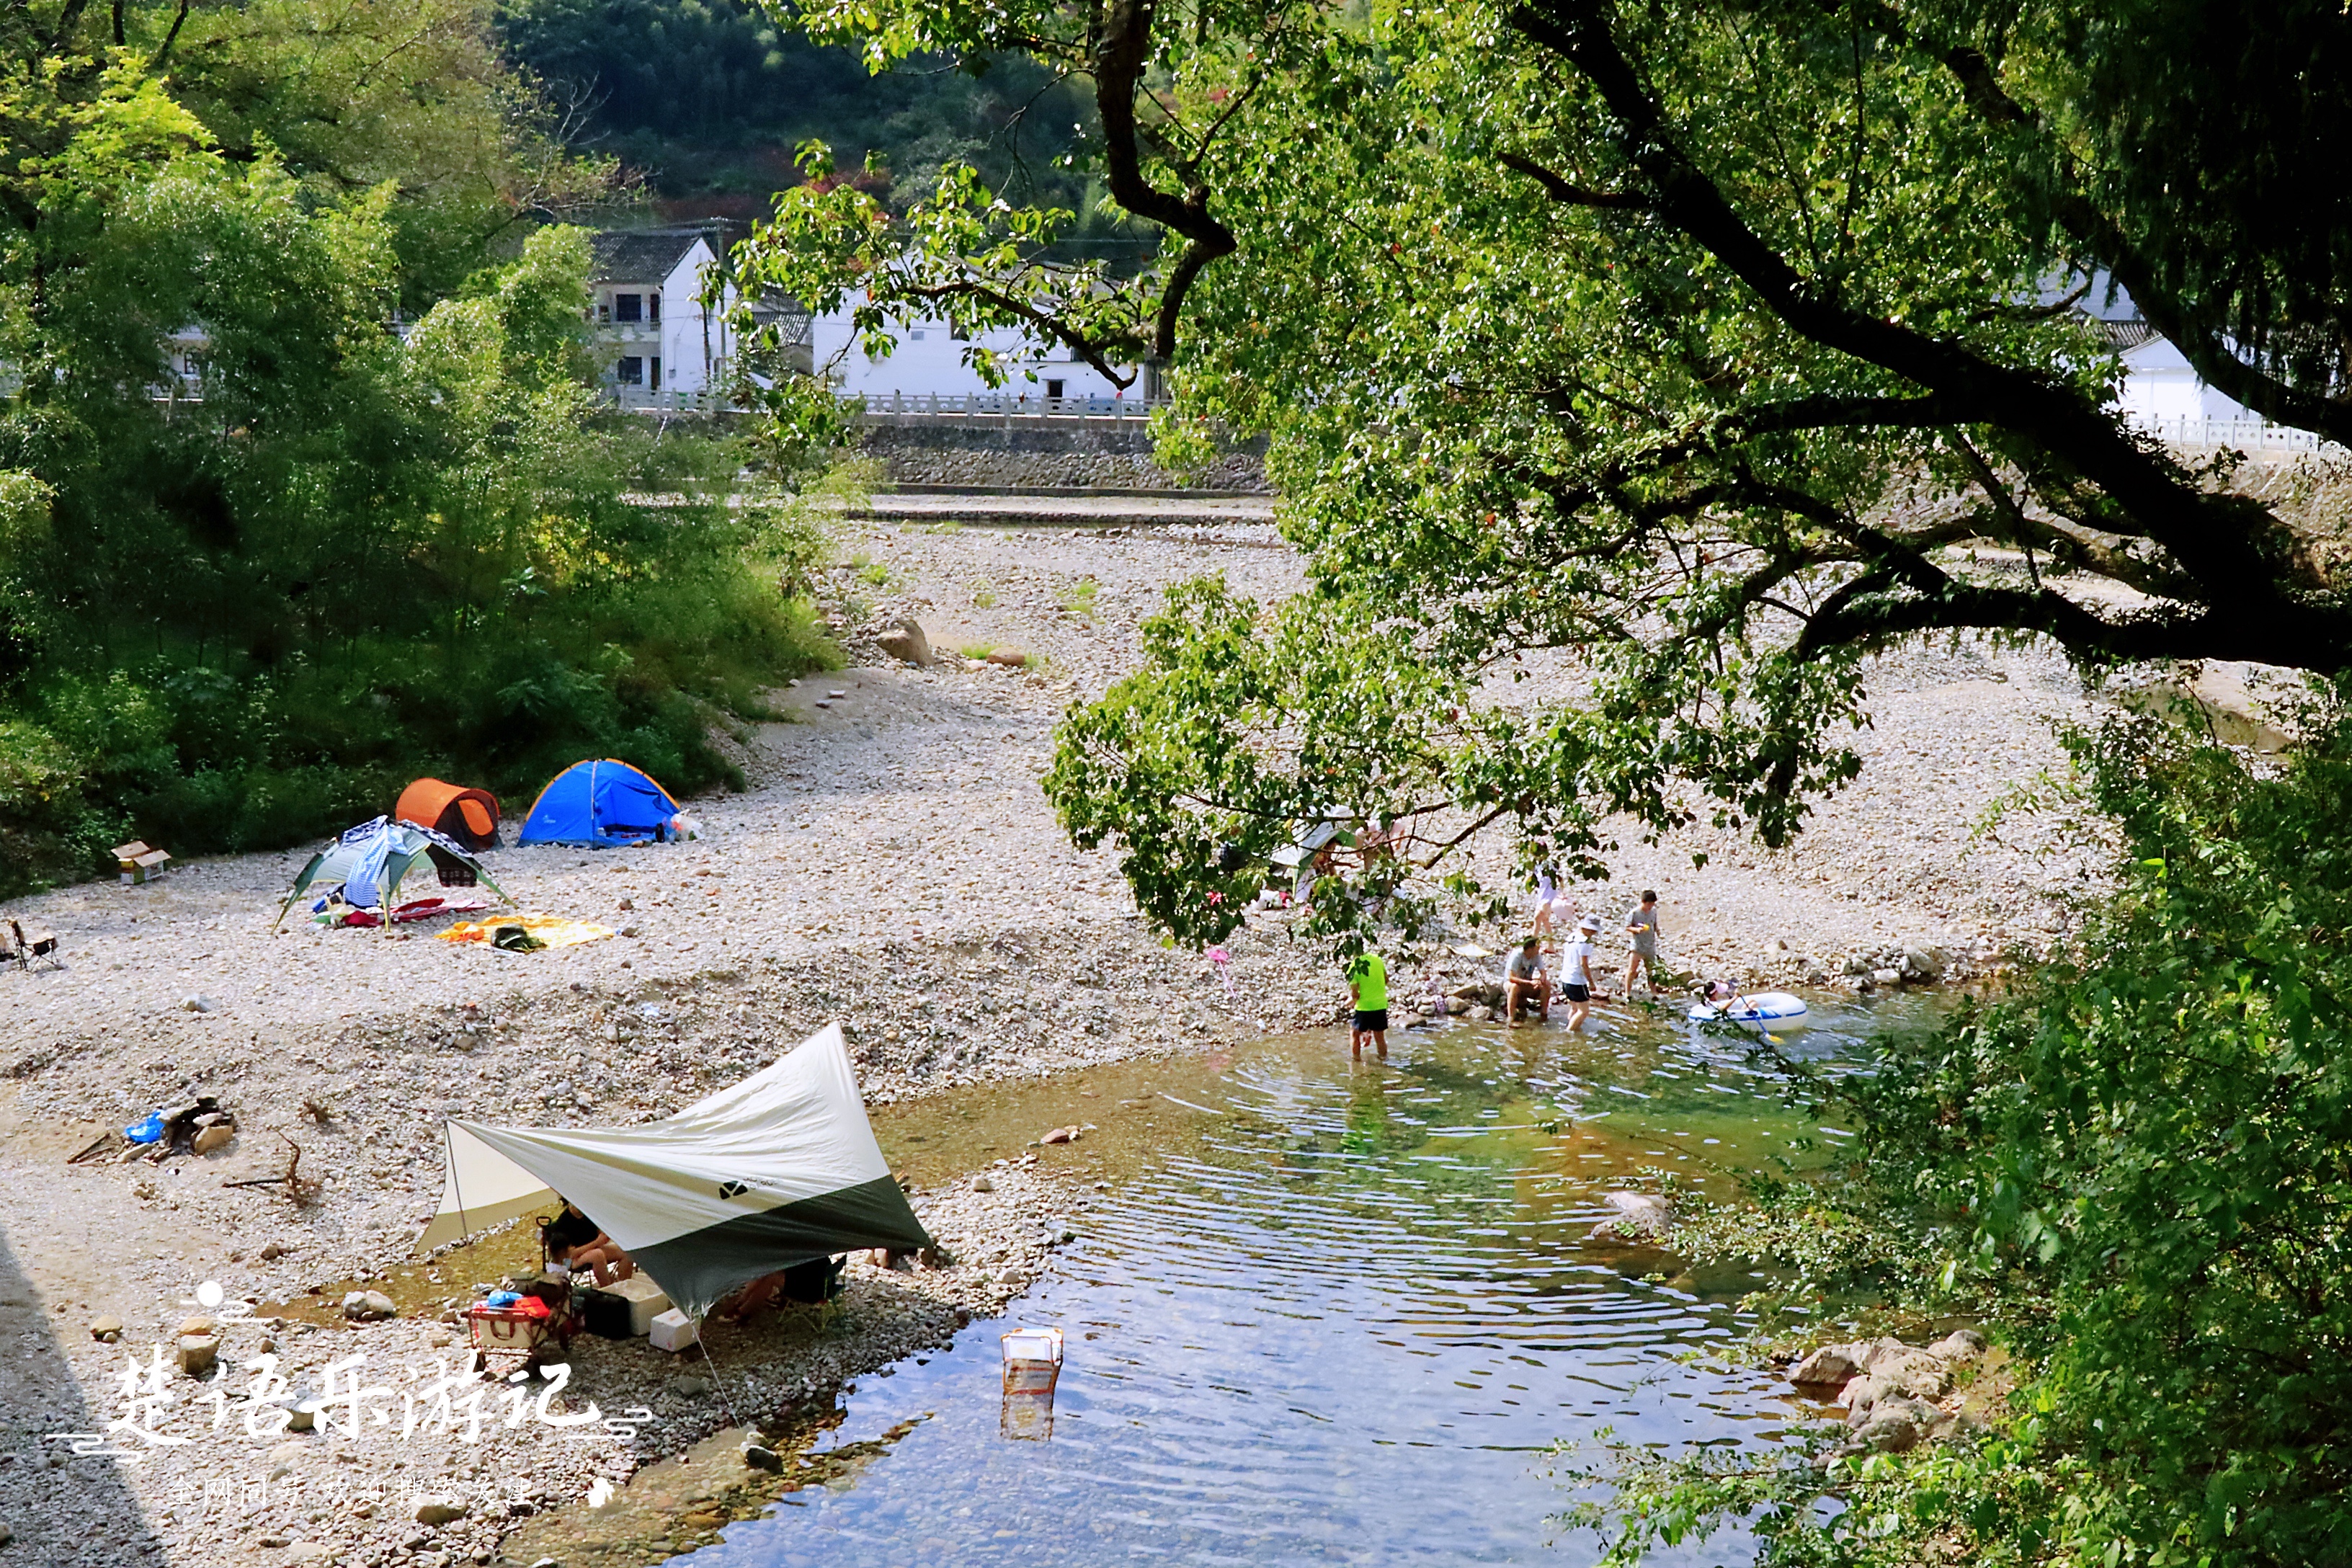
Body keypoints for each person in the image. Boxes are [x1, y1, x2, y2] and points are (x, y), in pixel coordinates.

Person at [540, 1201, 634, 1286]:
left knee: (627, 1251)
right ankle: (608, 1288)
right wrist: (597, 1242)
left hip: (593, 1249)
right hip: (568, 1260)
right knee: (597, 1254)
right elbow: (569, 1254)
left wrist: (604, 1234)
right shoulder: (563, 1223)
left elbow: (599, 1237)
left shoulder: (589, 1215)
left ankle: (624, 1284)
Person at [1347, 948, 1389, 1059]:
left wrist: (1352, 1001)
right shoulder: (1377, 959)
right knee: (1380, 1037)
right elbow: (1386, 979)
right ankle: (1384, 1060)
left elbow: (1355, 994)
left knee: (1354, 1033)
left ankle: (1356, 1061)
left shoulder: (1354, 967)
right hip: (1380, 1005)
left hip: (1364, 1007)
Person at [1563, 917, 1603, 1030]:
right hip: (1576, 981)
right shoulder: (1585, 943)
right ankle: (1570, 1032)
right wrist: (1591, 983)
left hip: (1565, 978)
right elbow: (1584, 964)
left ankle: (1573, 1026)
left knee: (1575, 1008)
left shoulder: (1571, 938)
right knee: (1584, 1011)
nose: (1594, 933)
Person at [1623, 890, 1665, 997]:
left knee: (1651, 971)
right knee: (1632, 970)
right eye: (1649, 904)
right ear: (1643, 902)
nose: (1651, 906)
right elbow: (1627, 927)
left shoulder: (1654, 911)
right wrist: (1636, 930)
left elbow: (1654, 923)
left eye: (1652, 904)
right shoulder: (1635, 913)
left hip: (1650, 945)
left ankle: (1653, 992)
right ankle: (1627, 992)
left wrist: (1657, 931)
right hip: (1638, 946)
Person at [1505, 936, 1551, 1022]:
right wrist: (1530, 983)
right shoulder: (1517, 955)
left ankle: (1544, 1014)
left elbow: (1543, 972)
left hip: (1527, 982)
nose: (1539, 949)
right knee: (1515, 987)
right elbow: (1511, 977)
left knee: (1547, 984)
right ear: (1530, 948)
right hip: (1512, 983)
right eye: (1537, 947)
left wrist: (1542, 979)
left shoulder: (1537, 956)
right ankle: (1511, 1017)